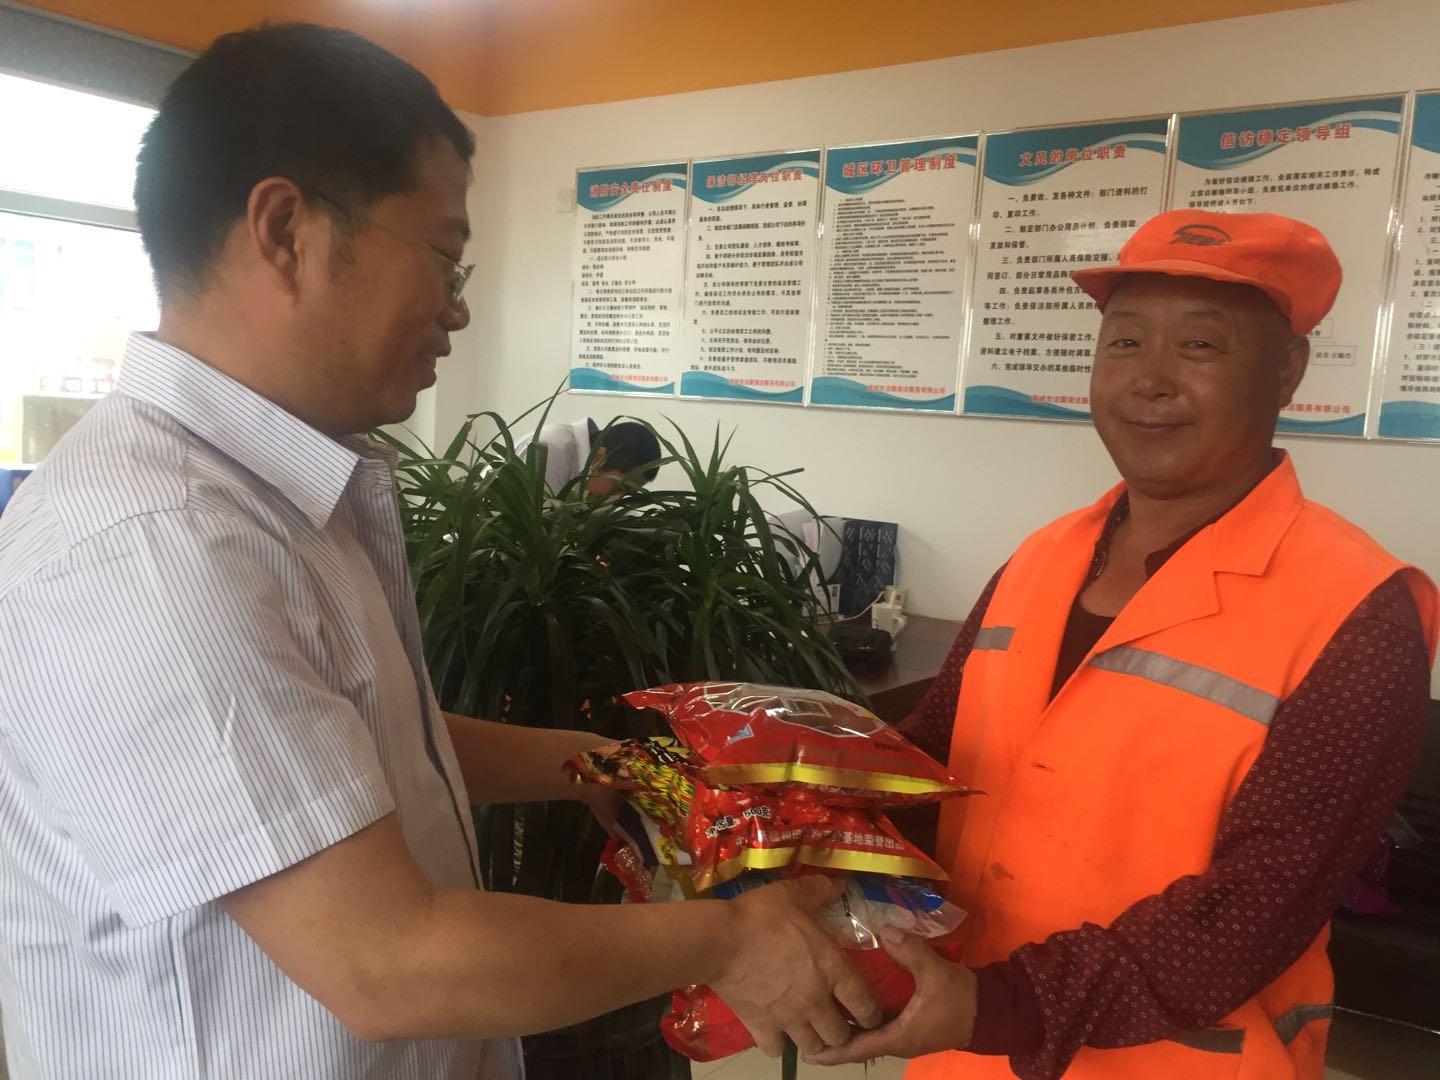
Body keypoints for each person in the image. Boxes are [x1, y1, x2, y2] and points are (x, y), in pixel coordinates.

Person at [0, 23, 878, 1080]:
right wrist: (732, 939)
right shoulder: (158, 548)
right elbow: (387, 963)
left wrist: (600, 764)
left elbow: (348, 736)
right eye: (444, 258)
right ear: (285, 231)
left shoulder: (273, 494)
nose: (457, 309)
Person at [811, 210, 1439, 1079]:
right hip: (964, 1046)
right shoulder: (1043, 556)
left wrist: (1001, 1006)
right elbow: (936, 757)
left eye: (1199, 346)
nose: (1148, 380)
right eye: (1125, 342)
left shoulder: (1358, 612)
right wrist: (792, 811)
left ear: (1288, 370)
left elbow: (1262, 899)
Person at [515, 417, 663, 495]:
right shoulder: (551, 450)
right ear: (599, 458)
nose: (619, 499)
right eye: (621, 487)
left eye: (629, 493)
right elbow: (542, 529)